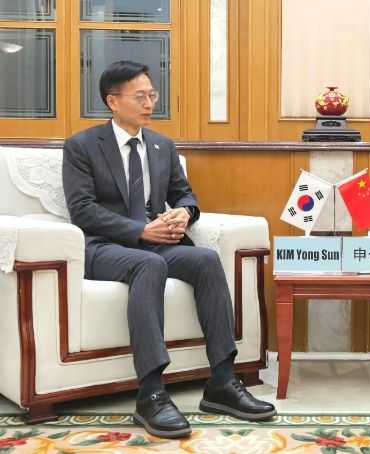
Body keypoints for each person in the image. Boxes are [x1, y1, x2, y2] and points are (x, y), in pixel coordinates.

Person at [62, 61, 276, 439]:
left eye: (152, 95)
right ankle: (151, 393)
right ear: (113, 101)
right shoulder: (82, 146)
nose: (150, 104)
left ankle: (222, 381)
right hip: (105, 247)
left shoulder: (162, 146)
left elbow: (184, 195)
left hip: (157, 243)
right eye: (140, 96)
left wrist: (184, 213)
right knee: (149, 265)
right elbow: (82, 210)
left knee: (206, 259)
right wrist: (140, 230)